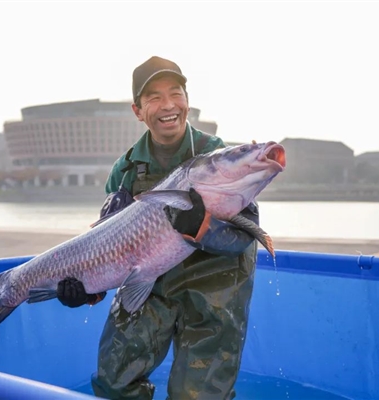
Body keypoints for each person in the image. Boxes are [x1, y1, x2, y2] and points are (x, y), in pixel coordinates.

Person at [56, 56, 261, 400]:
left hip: (215, 292)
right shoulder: (125, 171)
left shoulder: (219, 159)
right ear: (138, 110)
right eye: (154, 97)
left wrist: (201, 226)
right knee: (114, 383)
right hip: (152, 287)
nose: (168, 105)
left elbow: (245, 235)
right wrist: (88, 289)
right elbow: (108, 244)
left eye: (175, 93)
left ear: (187, 99)